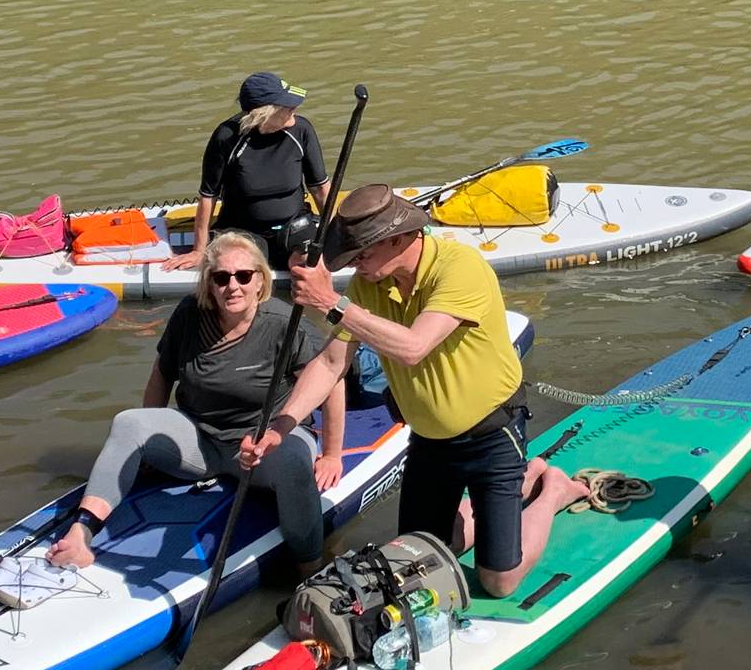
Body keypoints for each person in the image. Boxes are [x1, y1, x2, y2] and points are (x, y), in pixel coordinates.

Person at [246, 185, 587, 596]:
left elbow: (413, 346)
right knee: (413, 564)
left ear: (398, 237)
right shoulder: (370, 284)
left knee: (499, 582)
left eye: (361, 254)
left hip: (492, 437)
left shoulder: (460, 267)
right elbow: (331, 363)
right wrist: (279, 428)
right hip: (428, 444)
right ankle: (523, 483)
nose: (355, 265)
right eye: (349, 257)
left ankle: (551, 492)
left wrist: (331, 302)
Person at [47, 231, 347, 577]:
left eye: (243, 276)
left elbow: (331, 379)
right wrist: (145, 449)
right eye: (221, 277)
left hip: (264, 443)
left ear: (260, 280)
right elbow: (162, 373)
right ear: (209, 283)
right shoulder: (190, 314)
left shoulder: (285, 322)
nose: (232, 286)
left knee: (295, 462)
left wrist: (332, 453)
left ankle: (309, 566)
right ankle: (81, 533)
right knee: (129, 422)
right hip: (201, 439)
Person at [163, 72, 328, 272]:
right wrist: (199, 250)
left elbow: (320, 188)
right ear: (265, 113)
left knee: (306, 263)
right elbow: (208, 197)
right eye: (287, 106)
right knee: (247, 270)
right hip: (243, 231)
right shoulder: (226, 137)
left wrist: (338, 233)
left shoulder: (302, 130)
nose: (295, 108)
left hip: (294, 225)